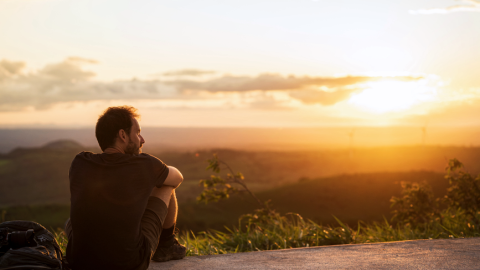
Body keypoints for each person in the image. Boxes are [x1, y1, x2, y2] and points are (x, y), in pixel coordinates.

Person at [64, 106, 186, 270]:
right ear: (123, 135)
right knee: (166, 185)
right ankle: (167, 246)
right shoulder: (144, 164)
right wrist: (159, 171)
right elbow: (177, 178)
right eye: (137, 133)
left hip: (79, 261)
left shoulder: (80, 162)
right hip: (130, 262)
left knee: (71, 222)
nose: (142, 139)